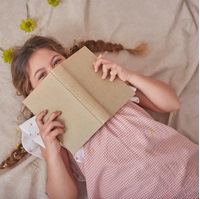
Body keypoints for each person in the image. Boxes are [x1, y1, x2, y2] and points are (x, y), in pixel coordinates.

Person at [1, 35, 198, 199]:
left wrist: (128, 75)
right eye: (42, 75)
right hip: (130, 191)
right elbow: (64, 196)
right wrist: (52, 153)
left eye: (57, 62)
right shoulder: (46, 128)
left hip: (183, 167)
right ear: (31, 91)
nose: (55, 73)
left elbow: (171, 103)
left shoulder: (105, 79)